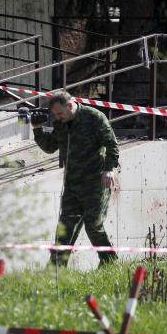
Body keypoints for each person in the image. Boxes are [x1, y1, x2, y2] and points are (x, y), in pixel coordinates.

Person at [32, 91, 119, 268]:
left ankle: (109, 263)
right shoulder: (61, 124)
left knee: (93, 225)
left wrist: (108, 169)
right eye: (55, 115)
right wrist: (36, 128)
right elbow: (50, 147)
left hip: (95, 182)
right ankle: (56, 268)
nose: (57, 117)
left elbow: (112, 144)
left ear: (70, 106)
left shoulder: (93, 117)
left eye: (59, 113)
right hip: (72, 184)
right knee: (65, 226)